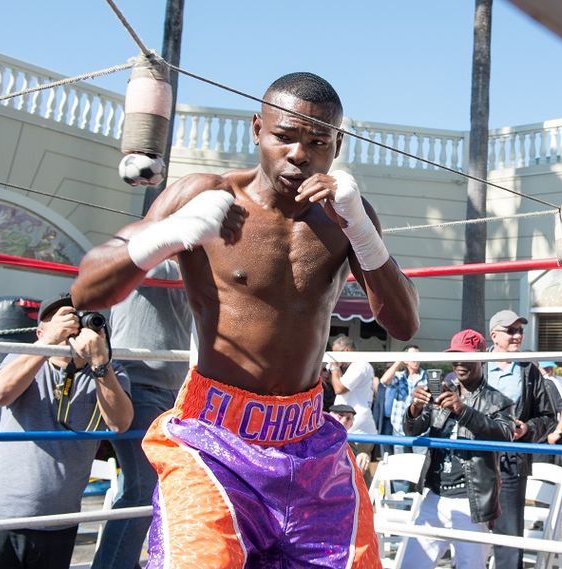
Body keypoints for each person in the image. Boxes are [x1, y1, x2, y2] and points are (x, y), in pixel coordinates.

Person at [71, 71, 419, 568]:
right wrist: (168, 235)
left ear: (337, 146)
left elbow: (403, 323)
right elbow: (88, 288)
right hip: (214, 440)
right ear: (258, 129)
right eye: (285, 136)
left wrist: (360, 229)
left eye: (318, 141)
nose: (300, 154)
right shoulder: (205, 193)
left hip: (309, 445)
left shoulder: (345, 214)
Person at [0, 294, 133, 569]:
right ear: (41, 331)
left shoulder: (108, 372)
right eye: (62, 319)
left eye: (79, 319)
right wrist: (47, 345)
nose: (73, 325)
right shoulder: (24, 358)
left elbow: (120, 424)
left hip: (58, 523)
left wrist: (101, 364)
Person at [92, 259, 192, 569]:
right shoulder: (154, 263)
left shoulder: (191, 272)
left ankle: (126, 561)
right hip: (138, 387)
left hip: (175, 393)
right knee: (142, 490)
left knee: (153, 488)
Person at [401, 329, 516, 568]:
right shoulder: (442, 390)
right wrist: (415, 407)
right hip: (435, 495)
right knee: (410, 564)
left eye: (467, 356)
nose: (460, 363)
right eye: (455, 356)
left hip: (472, 501)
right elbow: (412, 431)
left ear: (482, 358)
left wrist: (463, 411)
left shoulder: (498, 401)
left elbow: (505, 435)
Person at [485, 309, 558, 569]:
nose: (517, 336)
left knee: (508, 536)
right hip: (474, 457)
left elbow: (549, 417)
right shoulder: (475, 364)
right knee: (467, 534)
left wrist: (526, 428)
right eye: (510, 331)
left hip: (511, 460)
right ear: (494, 335)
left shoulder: (529, 370)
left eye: (520, 331)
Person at [380, 344, 427, 454]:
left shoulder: (427, 376)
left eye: (418, 356)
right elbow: (384, 381)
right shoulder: (399, 376)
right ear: (405, 360)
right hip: (399, 426)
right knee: (399, 464)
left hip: (421, 428)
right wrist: (398, 361)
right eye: (412, 357)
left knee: (420, 464)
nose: (416, 360)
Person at [329, 334, 378, 437]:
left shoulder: (359, 365)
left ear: (346, 351)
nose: (337, 361)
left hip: (356, 429)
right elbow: (341, 384)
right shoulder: (361, 365)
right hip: (354, 425)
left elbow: (339, 389)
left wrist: (334, 368)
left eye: (336, 356)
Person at [535, 360, 562, 467]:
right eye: (546, 368)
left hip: (553, 439)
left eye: (550, 368)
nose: (549, 371)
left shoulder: (555, 382)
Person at [329, 403, 373, 483]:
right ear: (330, 417)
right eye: (340, 416)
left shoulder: (350, 443)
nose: (344, 420)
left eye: (348, 418)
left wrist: (363, 456)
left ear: (351, 424)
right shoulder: (320, 435)